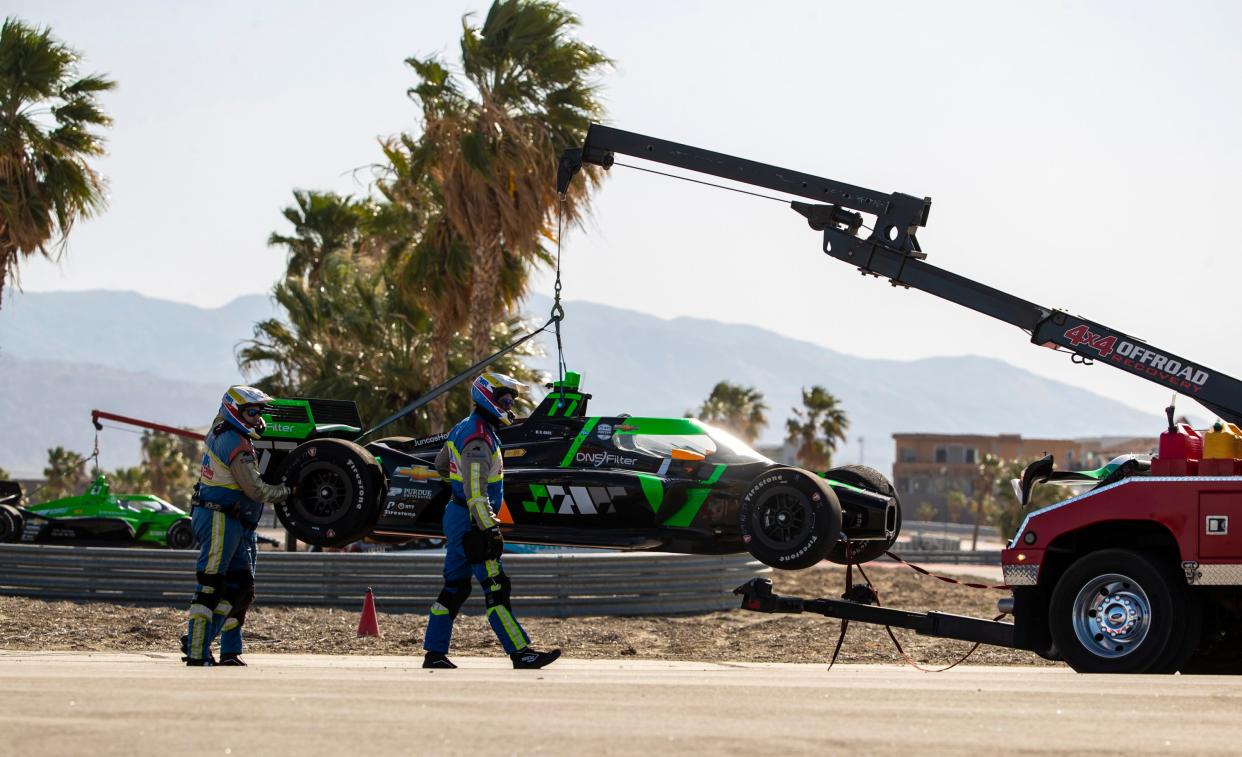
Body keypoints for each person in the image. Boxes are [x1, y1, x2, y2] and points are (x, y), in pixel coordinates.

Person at [422, 372, 561, 670]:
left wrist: (458, 493)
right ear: (489, 398)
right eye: (507, 400)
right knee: (496, 586)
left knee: (455, 587)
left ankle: (433, 653)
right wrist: (489, 527)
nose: (510, 406)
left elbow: (441, 465)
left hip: (458, 517)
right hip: (473, 522)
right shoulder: (479, 438)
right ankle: (520, 652)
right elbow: (476, 491)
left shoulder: (464, 427)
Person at [182, 385, 290, 666]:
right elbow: (256, 490)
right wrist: (289, 491)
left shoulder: (231, 433)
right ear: (235, 410)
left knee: (241, 588)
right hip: (219, 517)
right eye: (251, 411)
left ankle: (226, 650)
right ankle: (196, 649)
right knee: (211, 584)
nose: (257, 417)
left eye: (259, 411)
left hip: (236, 521)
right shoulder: (233, 440)